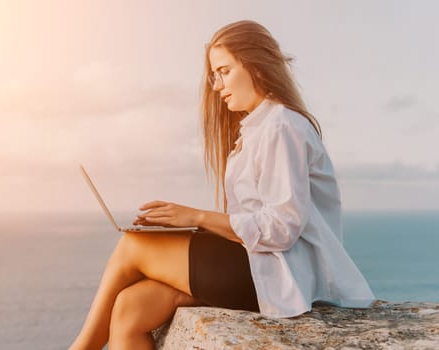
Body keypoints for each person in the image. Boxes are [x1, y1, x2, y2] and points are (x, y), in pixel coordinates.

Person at [68, 20, 375, 350]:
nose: (216, 85)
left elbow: (283, 227)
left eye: (224, 71)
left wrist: (197, 218)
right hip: (258, 266)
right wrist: (186, 229)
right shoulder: (257, 129)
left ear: (255, 64)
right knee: (131, 306)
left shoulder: (281, 126)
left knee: (133, 247)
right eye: (215, 74)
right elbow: (255, 221)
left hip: (279, 277)